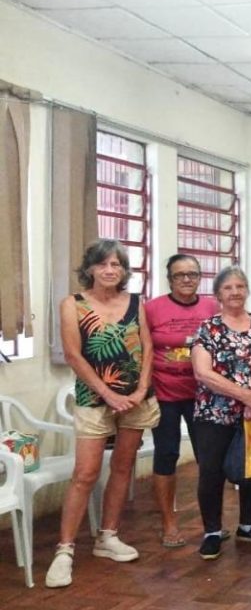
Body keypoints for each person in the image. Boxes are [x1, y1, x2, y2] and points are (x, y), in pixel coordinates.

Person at [45, 239, 160, 589]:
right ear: (91, 268)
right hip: (94, 399)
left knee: (123, 466)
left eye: (117, 265)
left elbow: (148, 347)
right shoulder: (73, 305)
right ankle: (64, 550)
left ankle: (107, 536)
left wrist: (140, 390)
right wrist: (108, 393)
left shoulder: (136, 303)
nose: (110, 270)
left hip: (136, 400)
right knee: (85, 472)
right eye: (103, 264)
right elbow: (74, 355)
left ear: (124, 271)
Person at [191, 266, 251, 560]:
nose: (235, 292)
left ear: (246, 291)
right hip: (215, 414)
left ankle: (248, 525)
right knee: (212, 472)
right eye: (228, 287)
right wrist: (245, 396)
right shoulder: (208, 328)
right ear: (218, 294)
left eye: (240, 286)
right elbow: (202, 373)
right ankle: (213, 532)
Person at [143, 253, 218, 548]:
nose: (187, 280)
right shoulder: (151, 309)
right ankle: (169, 523)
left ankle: (210, 524)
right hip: (165, 395)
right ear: (169, 278)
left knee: (208, 459)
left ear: (200, 277)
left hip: (203, 396)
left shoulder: (212, 307)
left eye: (192, 274)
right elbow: (142, 352)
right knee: (167, 455)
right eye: (179, 275)